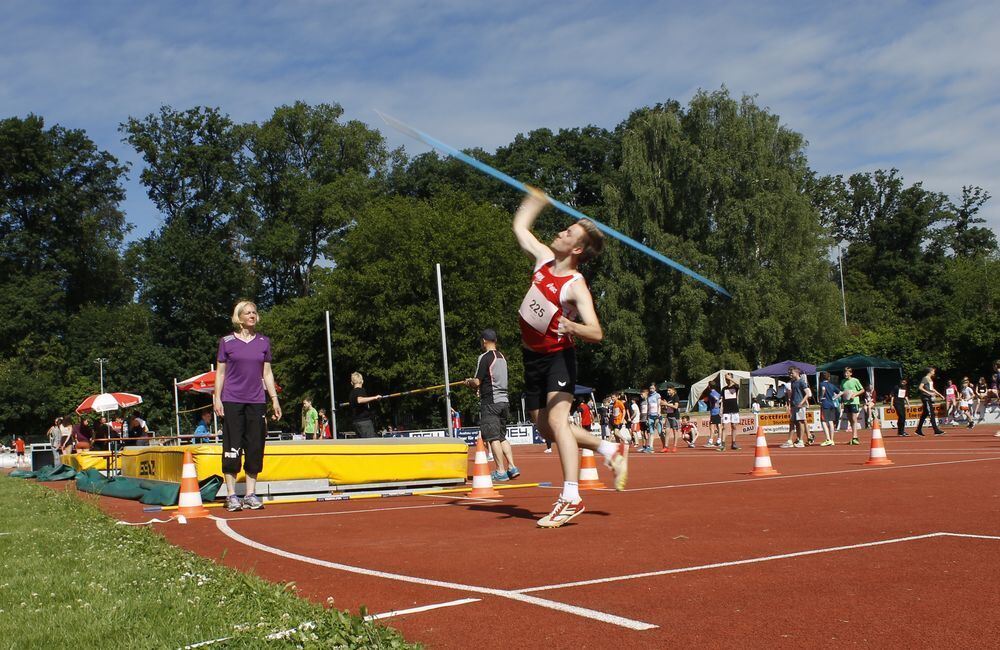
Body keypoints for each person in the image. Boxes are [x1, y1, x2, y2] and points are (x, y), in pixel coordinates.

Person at [512, 188, 625, 528]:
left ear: (576, 249)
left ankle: (571, 496)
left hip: (559, 357)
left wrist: (570, 324)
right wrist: (534, 202)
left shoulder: (575, 286)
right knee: (544, 425)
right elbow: (520, 230)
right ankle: (608, 449)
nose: (561, 232)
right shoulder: (544, 259)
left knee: (559, 422)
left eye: (569, 232)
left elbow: (597, 331)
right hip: (531, 359)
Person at [214, 300, 283, 512]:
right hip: (232, 400)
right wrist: (217, 398)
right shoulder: (226, 342)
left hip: (256, 401)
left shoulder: (263, 342)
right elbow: (221, 373)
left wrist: (274, 398)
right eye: (247, 313)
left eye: (254, 312)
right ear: (239, 317)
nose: (252, 315)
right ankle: (232, 495)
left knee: (255, 446)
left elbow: (267, 373)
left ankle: (250, 494)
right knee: (232, 446)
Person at [464, 328, 518, 482]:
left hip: (491, 403)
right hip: (504, 401)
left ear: (484, 341)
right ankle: (512, 467)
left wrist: (469, 382)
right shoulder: (502, 357)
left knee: (492, 437)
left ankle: (500, 471)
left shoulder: (485, 357)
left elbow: (477, 381)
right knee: (501, 437)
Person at [781, 366, 812, 448]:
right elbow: (792, 394)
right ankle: (792, 440)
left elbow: (807, 393)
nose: (790, 374)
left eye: (792, 373)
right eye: (789, 373)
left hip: (800, 405)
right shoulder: (792, 382)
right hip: (794, 405)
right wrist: (789, 404)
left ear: (797, 373)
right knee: (793, 422)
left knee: (800, 422)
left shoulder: (801, 382)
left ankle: (801, 440)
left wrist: (801, 403)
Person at [348, 372, 382, 438]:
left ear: (351, 383)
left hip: (356, 422)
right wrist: (375, 397)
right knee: (371, 445)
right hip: (364, 422)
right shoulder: (361, 390)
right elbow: (360, 400)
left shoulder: (351, 393)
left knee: (363, 445)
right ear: (362, 381)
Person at [914, 367, 945, 436]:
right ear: (930, 371)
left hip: (929, 397)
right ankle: (936, 430)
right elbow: (920, 387)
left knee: (924, 414)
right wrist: (929, 392)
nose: (934, 372)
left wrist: (940, 395)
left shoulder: (930, 379)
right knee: (931, 414)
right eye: (933, 371)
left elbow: (932, 388)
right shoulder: (925, 378)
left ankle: (918, 430)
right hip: (925, 398)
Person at [839, 367, 865, 445]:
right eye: (844, 373)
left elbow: (862, 390)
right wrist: (841, 401)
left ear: (851, 373)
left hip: (854, 402)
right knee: (850, 420)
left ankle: (855, 437)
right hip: (846, 403)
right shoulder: (843, 381)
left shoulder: (855, 380)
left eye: (847, 373)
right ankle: (853, 437)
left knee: (854, 419)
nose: (845, 374)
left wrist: (855, 394)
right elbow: (842, 392)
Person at [719, 373, 741, 451]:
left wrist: (730, 379)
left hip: (734, 409)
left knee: (734, 426)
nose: (726, 380)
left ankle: (734, 443)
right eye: (725, 378)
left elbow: (738, 384)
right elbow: (722, 399)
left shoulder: (735, 387)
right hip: (726, 410)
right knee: (724, 427)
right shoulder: (724, 389)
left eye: (728, 378)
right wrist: (720, 409)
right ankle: (723, 444)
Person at [818, 371, 841, 445]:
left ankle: (828, 439)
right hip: (831, 404)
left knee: (823, 421)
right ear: (829, 377)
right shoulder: (831, 385)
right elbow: (840, 392)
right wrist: (834, 398)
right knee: (831, 421)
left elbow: (823, 390)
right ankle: (832, 439)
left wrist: (821, 397)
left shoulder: (821, 384)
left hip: (825, 404)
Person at [661, 387, 681, 453]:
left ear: (673, 390)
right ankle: (666, 447)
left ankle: (675, 446)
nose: (668, 391)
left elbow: (676, 406)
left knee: (675, 431)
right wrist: (664, 406)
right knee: (667, 431)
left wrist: (667, 404)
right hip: (668, 416)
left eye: (669, 390)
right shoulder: (668, 398)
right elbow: (667, 408)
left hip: (675, 417)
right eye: (667, 390)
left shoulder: (676, 397)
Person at [646, 384, 662, 449]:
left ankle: (664, 445)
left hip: (656, 415)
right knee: (651, 432)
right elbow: (648, 406)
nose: (651, 389)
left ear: (655, 388)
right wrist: (647, 415)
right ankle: (651, 447)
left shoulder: (657, 395)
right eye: (650, 388)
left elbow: (659, 404)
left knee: (660, 432)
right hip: (650, 416)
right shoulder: (648, 397)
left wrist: (658, 413)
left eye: (652, 388)